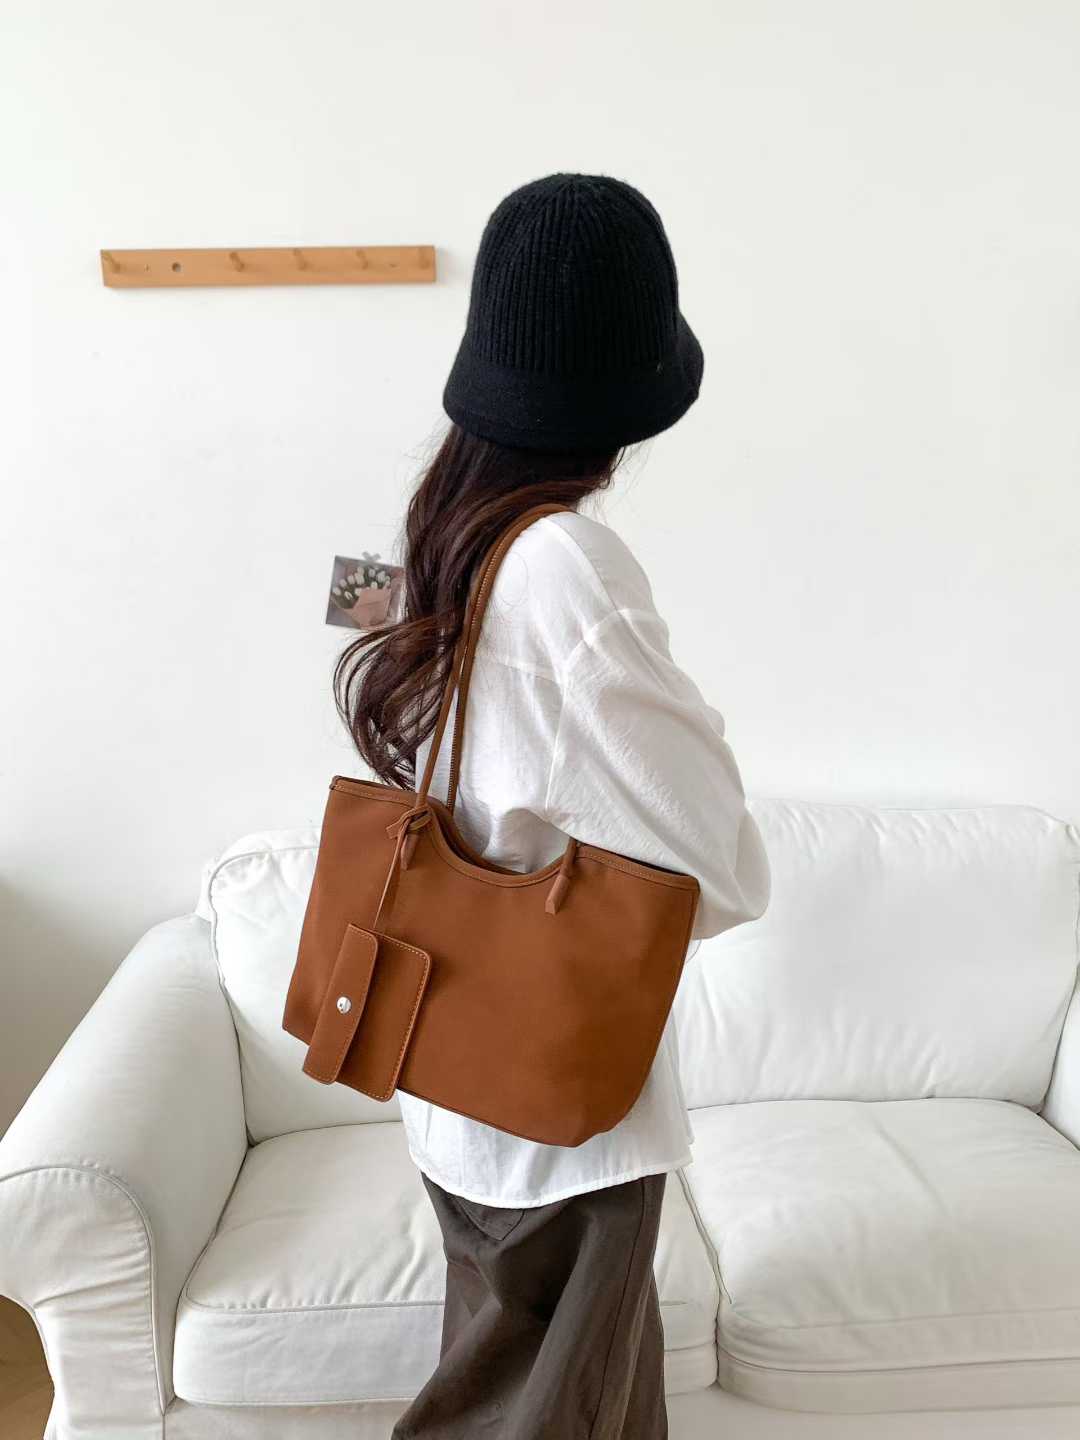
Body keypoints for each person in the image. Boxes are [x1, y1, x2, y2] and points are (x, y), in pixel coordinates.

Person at [334, 172, 771, 1440]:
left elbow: (384, 701)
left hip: (448, 1067)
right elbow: (723, 863)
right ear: (625, 402)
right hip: (560, 1115)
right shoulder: (569, 564)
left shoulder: (433, 533)